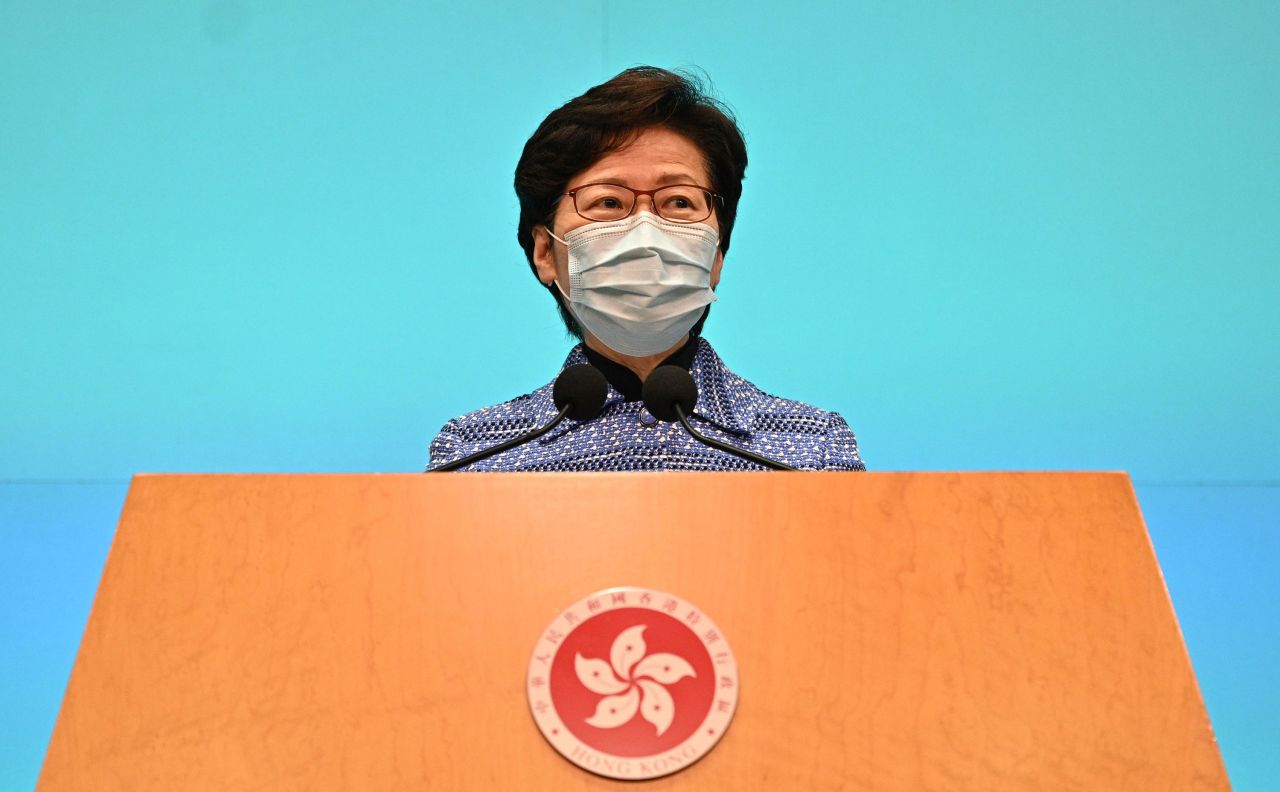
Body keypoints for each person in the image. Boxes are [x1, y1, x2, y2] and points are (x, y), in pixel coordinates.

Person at [427, 67, 865, 472]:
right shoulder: (475, 452)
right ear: (545, 252)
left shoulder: (811, 448)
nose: (644, 230)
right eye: (608, 202)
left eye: (678, 201)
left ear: (716, 256)